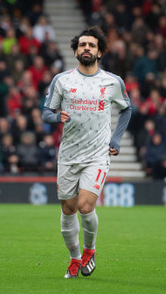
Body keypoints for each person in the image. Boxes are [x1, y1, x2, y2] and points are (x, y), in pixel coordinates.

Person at [42, 26, 132, 279]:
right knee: (68, 209)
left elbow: (127, 109)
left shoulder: (112, 82)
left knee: (84, 205)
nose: (86, 49)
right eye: (82, 45)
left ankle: (89, 250)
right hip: (69, 155)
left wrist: (116, 138)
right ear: (75, 50)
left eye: (91, 45)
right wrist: (57, 115)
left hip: (97, 154)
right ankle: (73, 257)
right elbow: (45, 112)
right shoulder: (62, 80)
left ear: (100, 52)